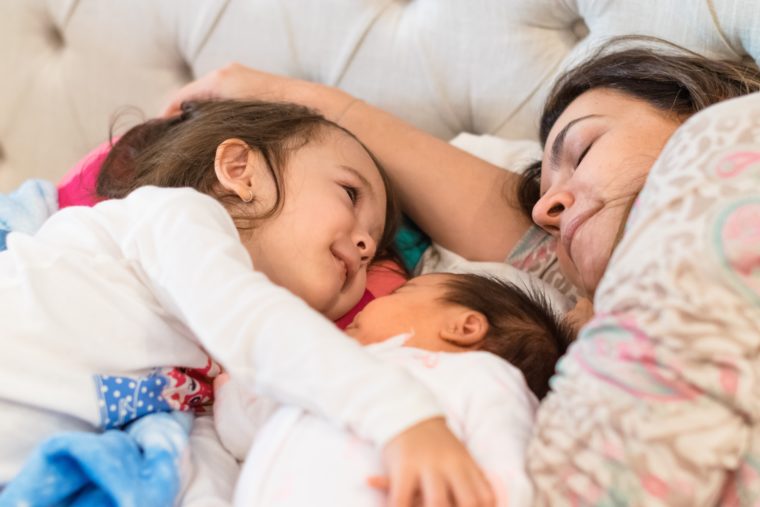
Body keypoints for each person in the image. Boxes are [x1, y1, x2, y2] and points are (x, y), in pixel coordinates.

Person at [162, 37, 760, 504]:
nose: (549, 210)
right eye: (547, 210)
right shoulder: (571, 317)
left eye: (581, 152)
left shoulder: (733, 142)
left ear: (695, 111)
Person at [0, 99, 498, 507]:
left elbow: (203, 466)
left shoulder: (206, 369)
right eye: (349, 194)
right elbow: (259, 327)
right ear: (240, 170)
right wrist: (405, 416)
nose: (366, 248)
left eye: (372, 247)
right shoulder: (174, 219)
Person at [214, 272, 574, 507]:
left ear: (463, 327)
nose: (376, 298)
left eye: (403, 290)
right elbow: (243, 432)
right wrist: (234, 385)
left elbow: (506, 456)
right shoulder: (331, 370)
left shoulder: (481, 375)